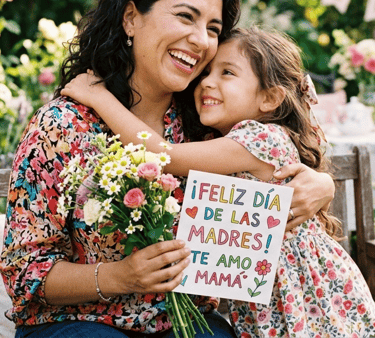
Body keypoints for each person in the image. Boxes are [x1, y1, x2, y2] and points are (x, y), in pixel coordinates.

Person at [0, 0, 334, 338]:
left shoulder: (207, 123)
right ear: (130, 19)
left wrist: (319, 184)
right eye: (185, 16)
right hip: (78, 324)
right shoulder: (62, 126)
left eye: (212, 28)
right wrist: (120, 277)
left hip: (183, 322)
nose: (200, 40)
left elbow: (284, 135)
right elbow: (25, 273)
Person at [62, 26, 375, 337]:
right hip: (272, 295)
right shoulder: (226, 141)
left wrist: (98, 97)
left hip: (306, 298)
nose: (207, 82)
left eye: (227, 73)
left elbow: (163, 154)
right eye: (207, 71)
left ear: (269, 98)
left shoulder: (260, 139)